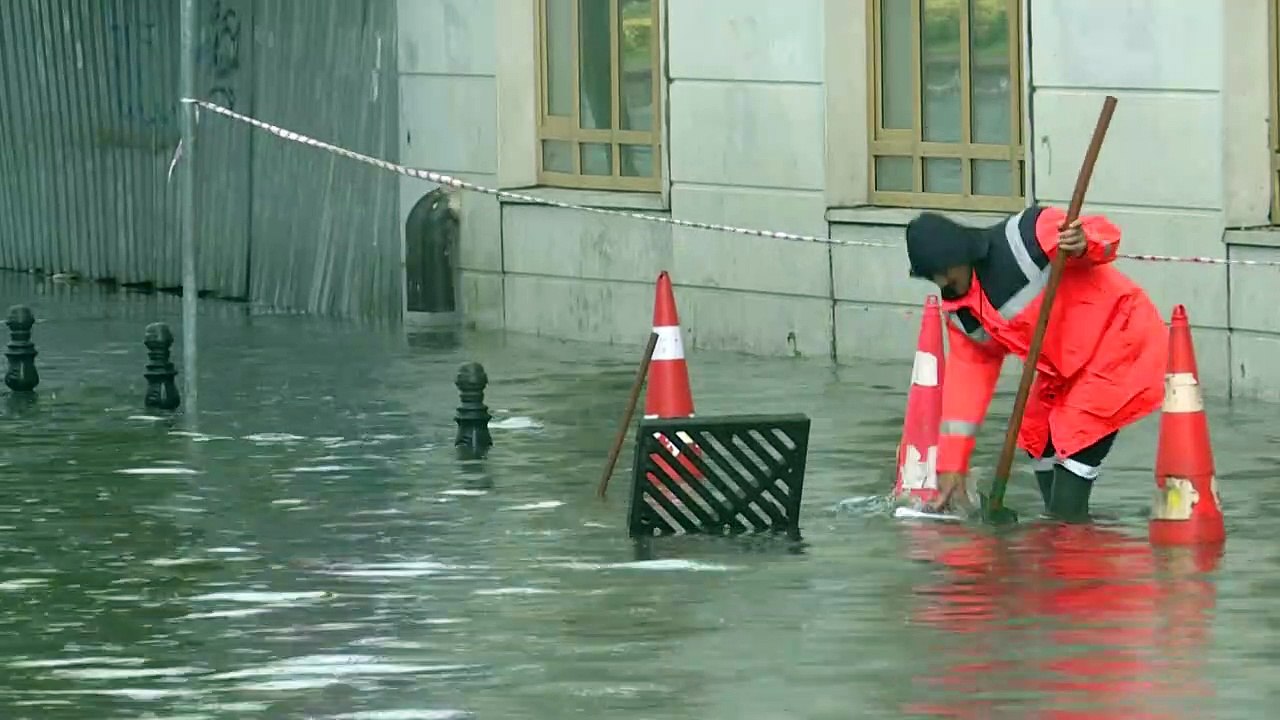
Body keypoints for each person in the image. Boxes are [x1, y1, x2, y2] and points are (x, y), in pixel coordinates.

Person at [905, 205, 1167, 521]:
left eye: (944, 271)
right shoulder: (963, 314)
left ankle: (1068, 532)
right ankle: (1056, 531)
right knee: (1035, 433)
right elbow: (965, 390)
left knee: (1075, 437)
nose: (944, 282)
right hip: (1063, 370)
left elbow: (1106, 236)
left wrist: (1084, 241)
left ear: (960, 254)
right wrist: (951, 466)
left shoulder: (1026, 237)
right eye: (935, 277)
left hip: (1118, 342)